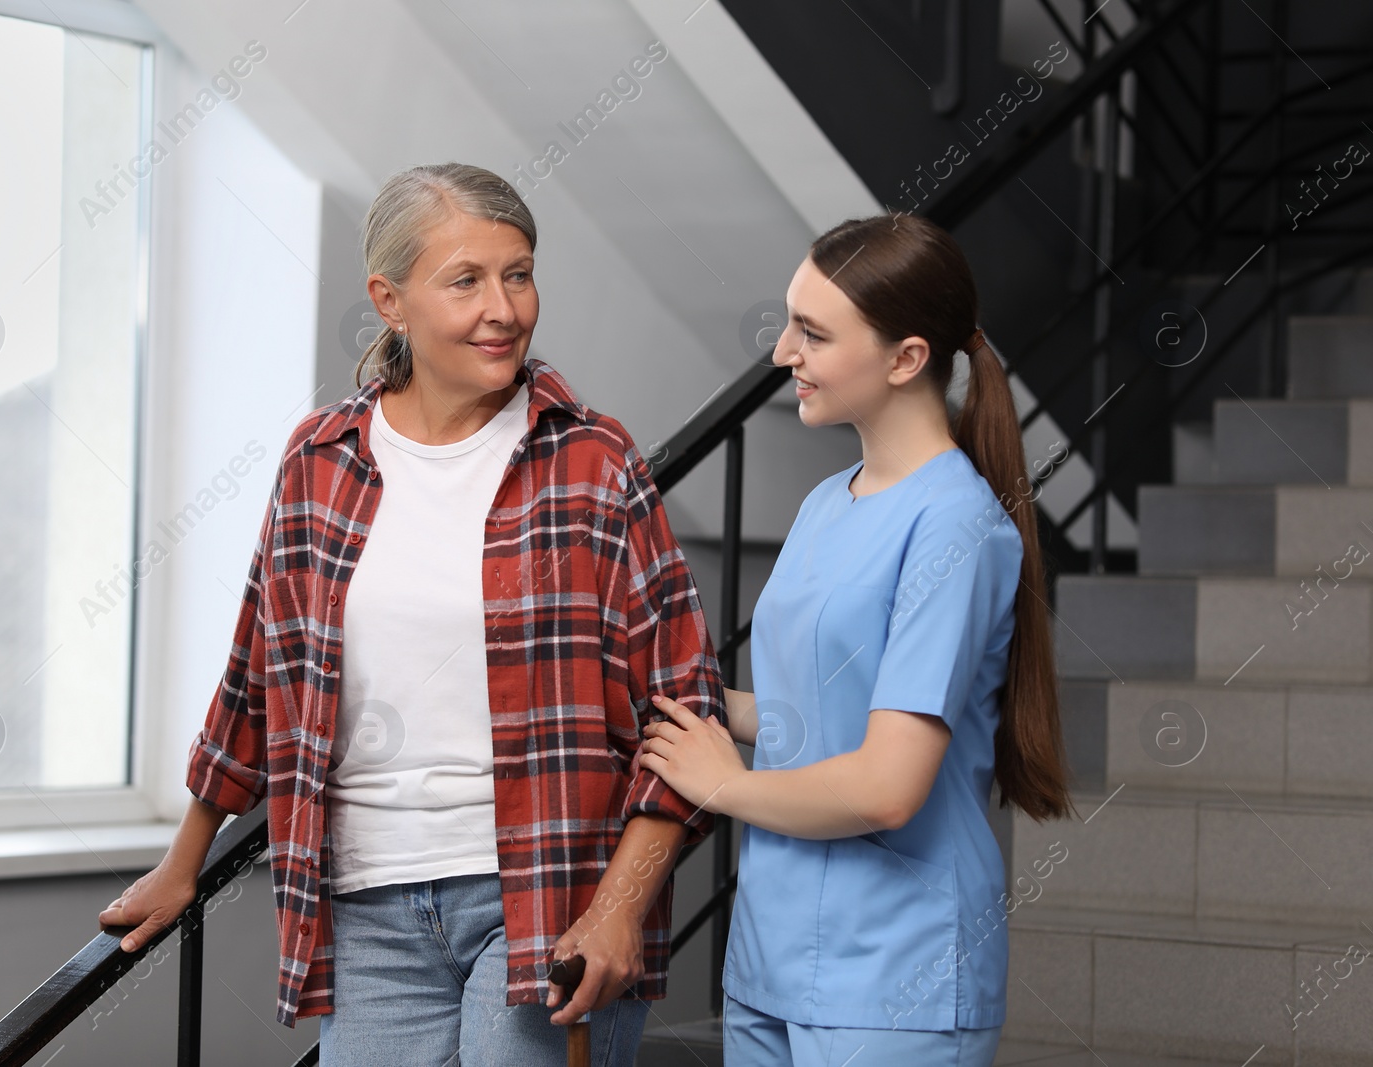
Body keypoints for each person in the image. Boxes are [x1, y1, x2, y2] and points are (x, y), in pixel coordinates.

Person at [98, 162, 726, 1066]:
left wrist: (620, 905)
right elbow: (256, 674)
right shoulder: (319, 459)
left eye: (519, 272)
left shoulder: (592, 458)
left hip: (546, 897)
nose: (504, 308)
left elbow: (683, 703)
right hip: (366, 905)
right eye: (465, 280)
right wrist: (184, 858)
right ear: (389, 299)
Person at [638, 214, 1072, 1067]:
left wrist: (722, 784)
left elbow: (886, 785)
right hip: (770, 958)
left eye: (813, 332)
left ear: (906, 358)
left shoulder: (960, 528)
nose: (781, 353)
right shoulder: (826, 503)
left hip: (894, 977)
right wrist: (701, 704)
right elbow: (818, 714)